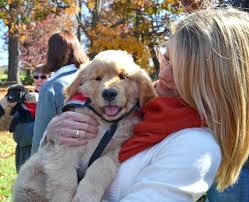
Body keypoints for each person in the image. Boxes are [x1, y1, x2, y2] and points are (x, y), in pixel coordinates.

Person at [42, 8, 249, 201]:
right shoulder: (140, 104)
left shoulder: (197, 146)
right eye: (165, 59)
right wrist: (52, 133)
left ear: (213, 84)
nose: (162, 74)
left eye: (180, 72)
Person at [31, 30, 89, 154]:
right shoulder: (92, 79)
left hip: (64, 161)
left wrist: (33, 170)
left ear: (52, 53)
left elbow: (41, 136)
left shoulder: (51, 87)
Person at [0, 65, 49, 172]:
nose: (39, 80)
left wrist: (40, 100)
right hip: (22, 150)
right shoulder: (23, 96)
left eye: (43, 77)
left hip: (42, 152)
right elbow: (4, 125)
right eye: (36, 77)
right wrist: (7, 104)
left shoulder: (55, 97)